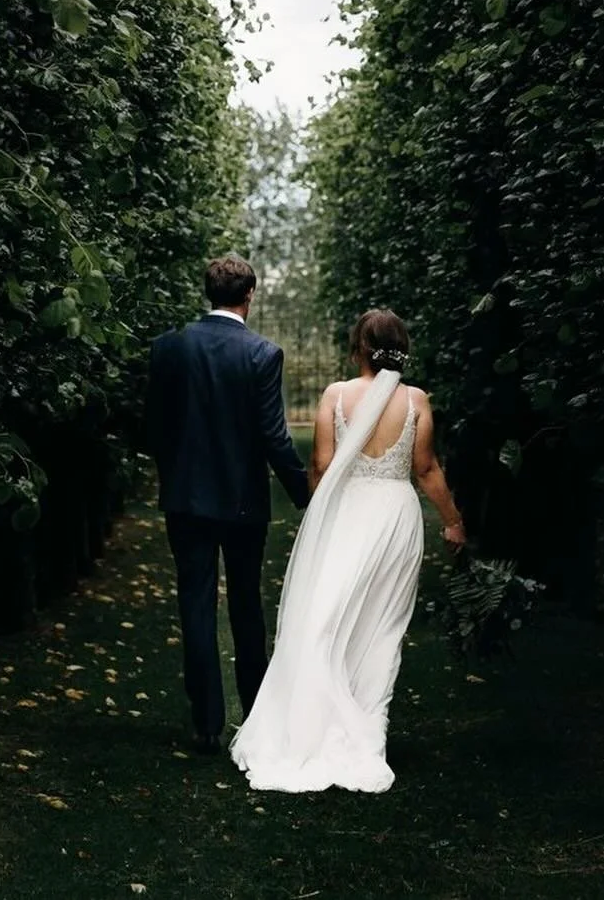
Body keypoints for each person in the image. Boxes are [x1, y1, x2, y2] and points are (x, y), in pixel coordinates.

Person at [229, 307, 466, 793]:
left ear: (358, 346)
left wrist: (321, 513)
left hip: (346, 515)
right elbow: (425, 469)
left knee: (327, 618)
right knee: (382, 625)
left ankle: (313, 721)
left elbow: (319, 462)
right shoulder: (417, 400)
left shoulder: (336, 396)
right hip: (396, 518)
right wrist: (454, 521)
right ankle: (367, 732)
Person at [146, 254, 309, 753]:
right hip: (242, 501)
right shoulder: (261, 353)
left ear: (208, 293)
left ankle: (206, 724)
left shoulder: (168, 348)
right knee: (245, 606)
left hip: (187, 499)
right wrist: (305, 496)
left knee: (194, 604)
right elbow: (274, 437)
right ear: (250, 295)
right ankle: (256, 716)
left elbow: (153, 426)